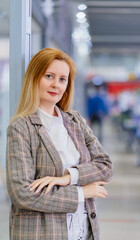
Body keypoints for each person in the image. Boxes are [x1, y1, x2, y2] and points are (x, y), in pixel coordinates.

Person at [6, 48, 112, 240]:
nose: (56, 84)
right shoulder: (21, 127)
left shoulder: (75, 121)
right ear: (35, 78)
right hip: (42, 233)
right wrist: (81, 192)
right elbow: (22, 194)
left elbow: (104, 166)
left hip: (82, 230)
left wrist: (67, 177)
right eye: (49, 76)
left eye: (62, 79)